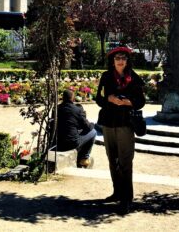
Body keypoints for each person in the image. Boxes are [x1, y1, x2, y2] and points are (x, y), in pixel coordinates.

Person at [95, 46, 145, 215]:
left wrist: (127, 102)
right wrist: (109, 98)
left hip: (125, 123)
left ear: (127, 60)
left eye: (123, 58)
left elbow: (141, 101)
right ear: (113, 60)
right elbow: (98, 99)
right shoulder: (106, 76)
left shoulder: (134, 78)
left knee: (125, 162)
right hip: (108, 123)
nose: (120, 61)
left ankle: (126, 198)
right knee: (112, 160)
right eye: (117, 58)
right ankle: (117, 192)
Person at [57, 89, 97, 168]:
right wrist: (92, 124)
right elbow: (87, 127)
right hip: (71, 143)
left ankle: (80, 155)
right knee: (93, 132)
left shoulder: (57, 108)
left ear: (63, 98)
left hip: (58, 142)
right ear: (73, 98)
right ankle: (84, 158)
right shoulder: (77, 110)